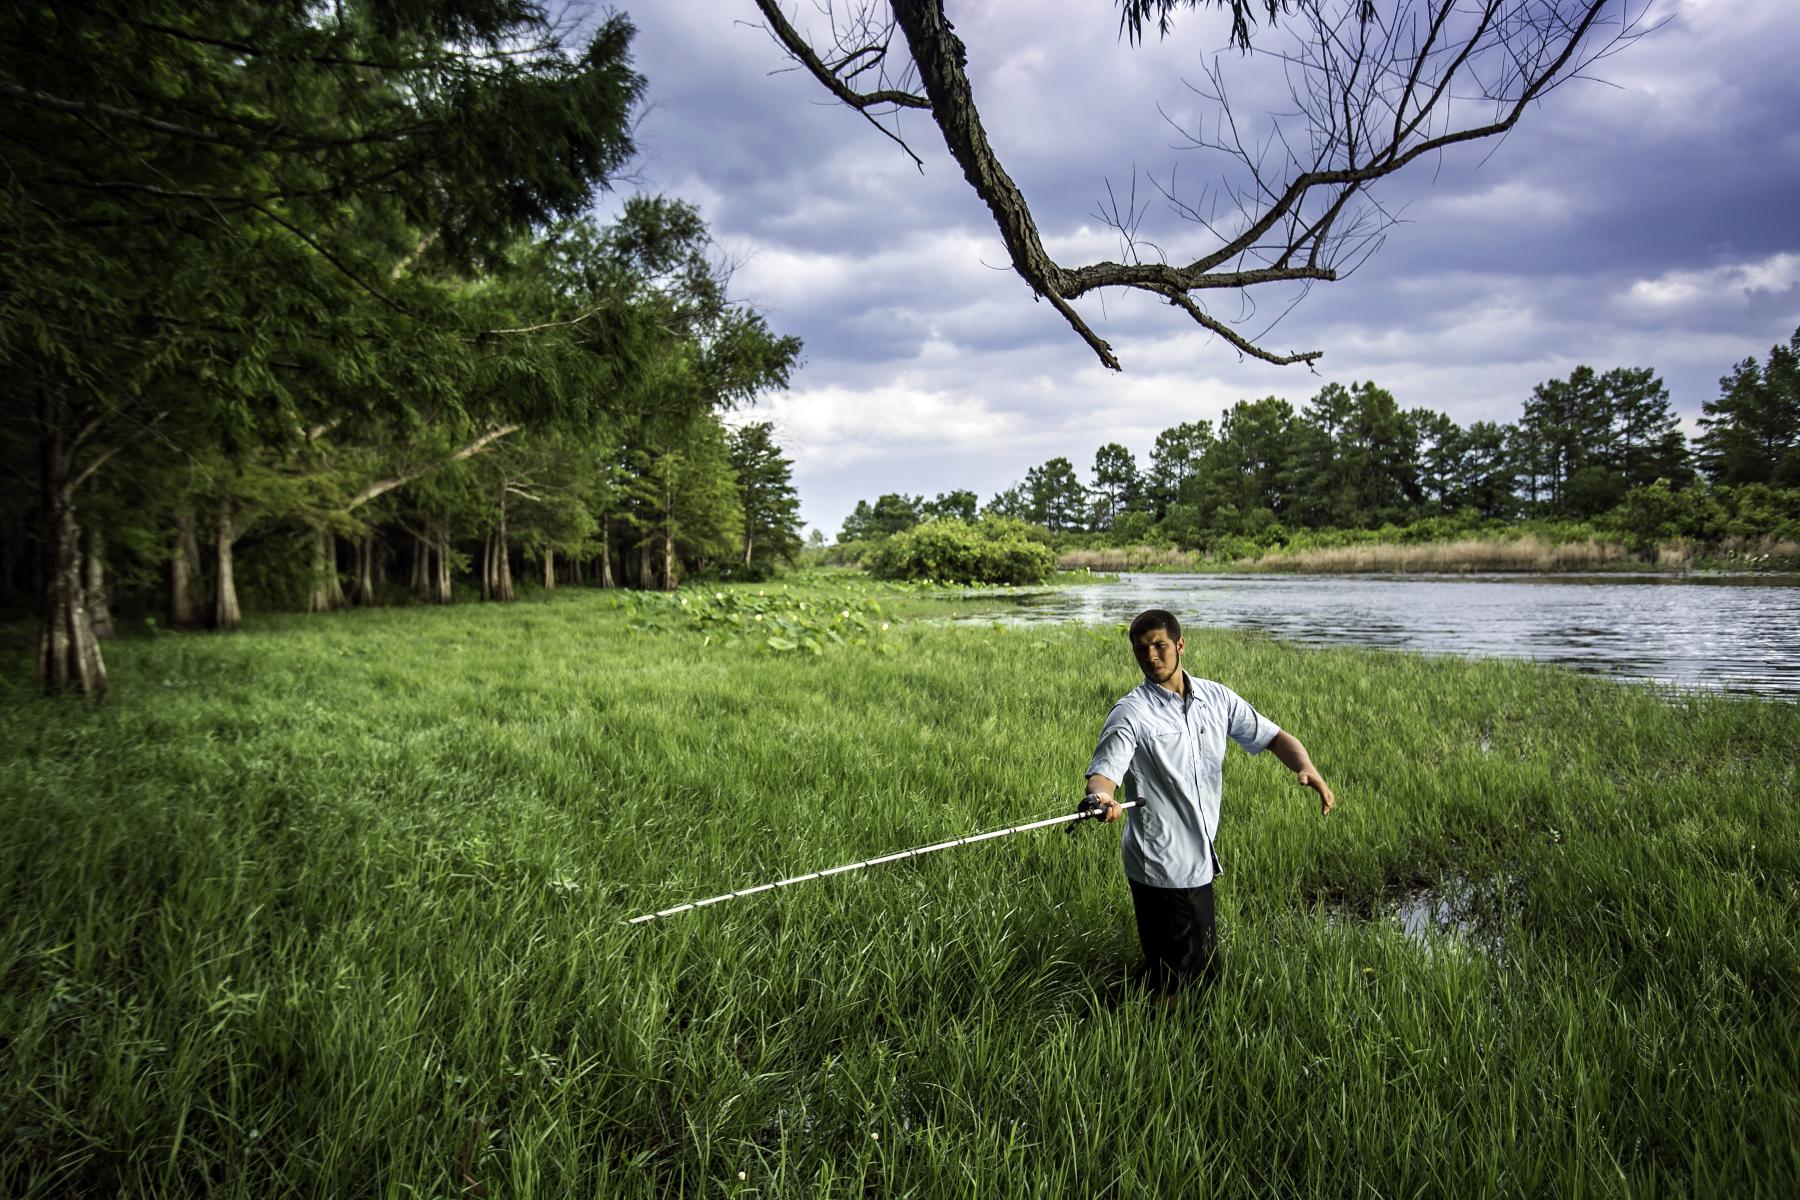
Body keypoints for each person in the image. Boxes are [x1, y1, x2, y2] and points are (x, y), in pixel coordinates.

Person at [1084, 608, 1335, 997]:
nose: (1151, 657)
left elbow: (1273, 736)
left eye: (1160, 646)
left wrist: (1307, 767)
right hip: (1161, 864)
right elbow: (1104, 775)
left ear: (1180, 645)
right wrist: (1101, 798)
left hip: (1199, 860)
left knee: (1199, 968)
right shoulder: (1131, 713)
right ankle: (1119, 1020)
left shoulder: (1215, 698)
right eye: (1141, 650)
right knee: (1178, 982)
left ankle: (1133, 1003)